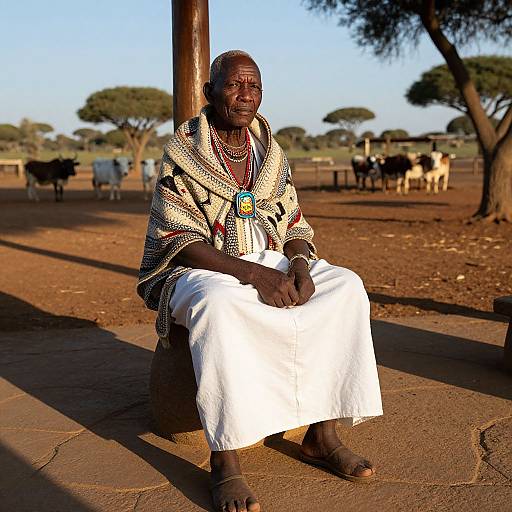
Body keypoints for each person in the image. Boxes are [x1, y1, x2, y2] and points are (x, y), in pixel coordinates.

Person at [137, 50, 383, 512]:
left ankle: (322, 434)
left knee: (345, 287)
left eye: (254, 86)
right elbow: (179, 237)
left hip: (271, 259)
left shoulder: (270, 150)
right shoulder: (182, 150)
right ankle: (225, 459)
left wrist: (299, 267)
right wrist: (254, 275)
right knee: (221, 308)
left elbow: (292, 221)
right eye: (234, 85)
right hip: (203, 267)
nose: (245, 95)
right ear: (210, 93)